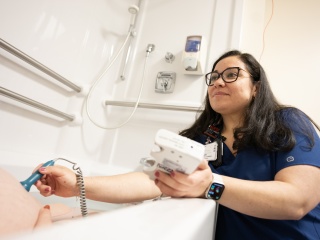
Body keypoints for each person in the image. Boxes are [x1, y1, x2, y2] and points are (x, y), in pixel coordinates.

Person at [35, 50, 320, 239]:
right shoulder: (200, 137)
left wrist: (211, 185)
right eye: (214, 77)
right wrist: (79, 184)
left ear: (257, 86)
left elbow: (296, 200)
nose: (218, 82)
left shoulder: (287, 122)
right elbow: (152, 181)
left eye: (231, 74)